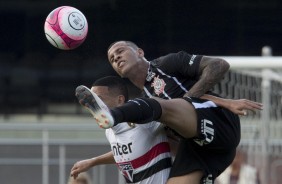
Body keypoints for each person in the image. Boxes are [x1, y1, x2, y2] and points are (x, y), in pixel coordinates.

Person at [76, 41, 263, 184]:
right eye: (111, 59)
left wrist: (193, 100)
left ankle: (113, 115)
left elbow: (220, 65)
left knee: (158, 106)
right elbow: (137, 145)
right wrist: (93, 161)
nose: (115, 58)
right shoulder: (145, 105)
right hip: (203, 151)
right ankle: (112, 116)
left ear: (139, 52)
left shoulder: (167, 65)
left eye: (120, 51)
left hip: (219, 121)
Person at [71, 76, 172, 184]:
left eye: (98, 99)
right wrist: (93, 162)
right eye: (92, 101)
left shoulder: (145, 122)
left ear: (120, 100)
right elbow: (125, 155)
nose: (94, 106)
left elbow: (170, 110)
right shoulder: (109, 131)